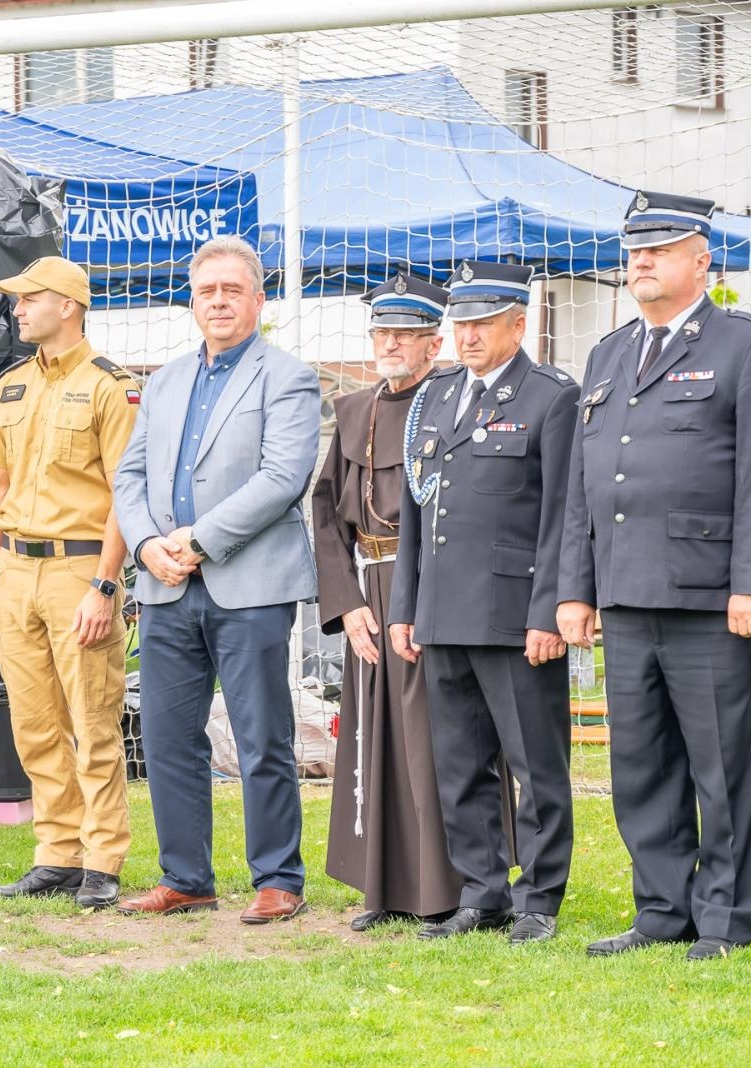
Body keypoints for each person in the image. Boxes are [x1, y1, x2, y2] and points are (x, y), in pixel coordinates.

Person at [556, 191, 751, 961]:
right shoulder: (608, 353)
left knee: (722, 763)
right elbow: (582, 486)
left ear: (702, 258)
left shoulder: (745, 347)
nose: (642, 261)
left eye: (659, 248)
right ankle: (661, 909)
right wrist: (575, 587)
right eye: (635, 249)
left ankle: (725, 916)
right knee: (642, 762)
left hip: (707, 594)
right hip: (626, 591)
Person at [113, 235, 320, 924]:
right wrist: (145, 546)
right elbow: (131, 476)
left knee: (263, 736)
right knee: (168, 737)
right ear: (192, 302)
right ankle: (186, 878)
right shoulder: (165, 380)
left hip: (249, 583)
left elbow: (283, 478)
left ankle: (277, 878)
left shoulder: (288, 376)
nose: (221, 301)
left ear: (258, 300)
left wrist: (198, 541)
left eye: (234, 289)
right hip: (165, 585)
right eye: (209, 291)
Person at [390, 260, 579, 945]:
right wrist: (406, 606)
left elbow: (564, 514)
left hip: (511, 616)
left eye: (481, 323)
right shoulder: (438, 399)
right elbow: (416, 511)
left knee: (535, 766)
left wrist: (548, 612)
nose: (466, 337)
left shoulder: (550, 397)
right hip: (443, 614)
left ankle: (539, 899)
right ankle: (482, 891)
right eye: (460, 324)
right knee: (460, 763)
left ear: (518, 324)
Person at [0, 257, 138, 911]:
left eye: (28, 300)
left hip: (78, 568)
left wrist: (104, 585)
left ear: (67, 304)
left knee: (92, 719)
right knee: (34, 722)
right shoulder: (9, 386)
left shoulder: (111, 387)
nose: (17, 310)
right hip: (14, 570)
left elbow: (127, 493)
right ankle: (57, 853)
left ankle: (102, 858)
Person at [312, 272, 461, 930]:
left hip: (433, 589)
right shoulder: (354, 411)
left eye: (405, 334)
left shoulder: (456, 403)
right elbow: (324, 517)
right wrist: (346, 604)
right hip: (371, 593)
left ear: (434, 343)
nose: (390, 344)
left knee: (435, 741)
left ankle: (445, 892)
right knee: (376, 742)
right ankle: (384, 888)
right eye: (382, 333)